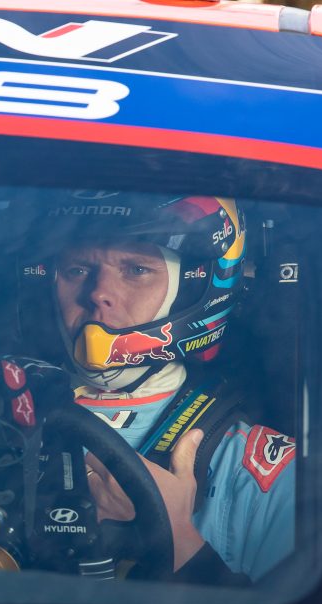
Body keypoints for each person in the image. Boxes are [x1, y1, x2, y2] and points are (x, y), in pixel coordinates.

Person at [30, 193, 294, 582]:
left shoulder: (258, 474)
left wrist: (179, 541)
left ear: (193, 287)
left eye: (136, 269)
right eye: (77, 269)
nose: (98, 293)